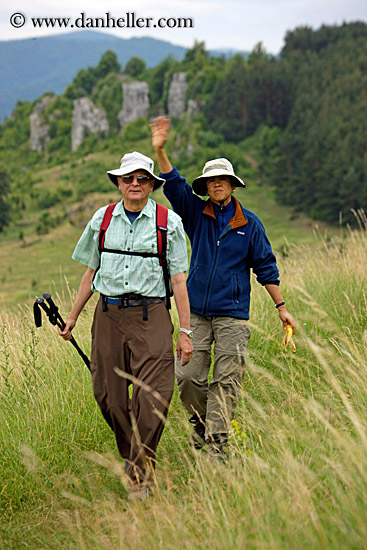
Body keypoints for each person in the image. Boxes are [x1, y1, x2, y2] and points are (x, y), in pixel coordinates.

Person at [150, 117, 295, 461]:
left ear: (232, 185)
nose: (217, 184)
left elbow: (265, 266)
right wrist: (160, 150)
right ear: (207, 185)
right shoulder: (194, 213)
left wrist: (282, 307)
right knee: (187, 376)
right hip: (196, 312)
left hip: (233, 316)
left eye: (222, 180)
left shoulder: (250, 223)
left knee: (227, 379)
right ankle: (200, 424)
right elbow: (174, 185)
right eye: (211, 180)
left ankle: (217, 442)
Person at [59, 151, 193, 499]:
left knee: (155, 396)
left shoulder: (169, 223)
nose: (135, 184)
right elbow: (91, 272)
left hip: (152, 316)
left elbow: (178, 281)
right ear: (118, 182)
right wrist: (73, 316)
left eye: (142, 178)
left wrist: (186, 332)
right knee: (109, 397)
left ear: (151, 184)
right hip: (108, 315)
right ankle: (139, 465)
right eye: (128, 178)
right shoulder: (101, 220)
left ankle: (138, 473)